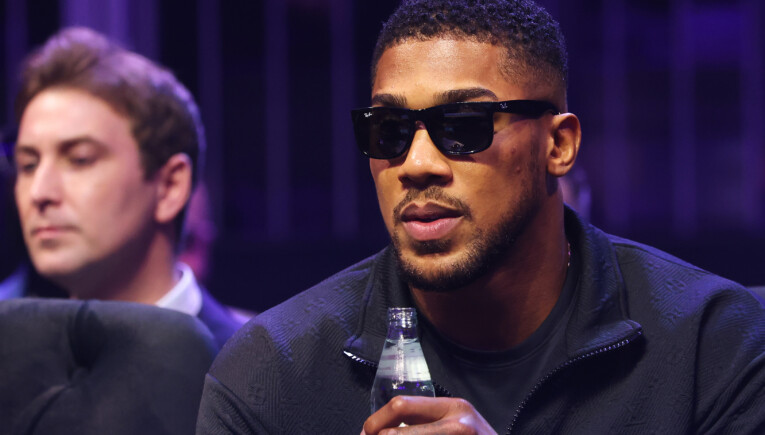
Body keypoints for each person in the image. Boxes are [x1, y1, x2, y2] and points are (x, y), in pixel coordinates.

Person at [197, 0, 765, 433]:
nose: (416, 164)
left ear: (559, 145)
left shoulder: (709, 345)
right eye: (388, 131)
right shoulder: (274, 372)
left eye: (464, 126)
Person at [7, 27, 246, 348]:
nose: (39, 192)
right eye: (28, 165)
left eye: (79, 159)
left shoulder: (254, 370)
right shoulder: (16, 359)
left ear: (170, 186)